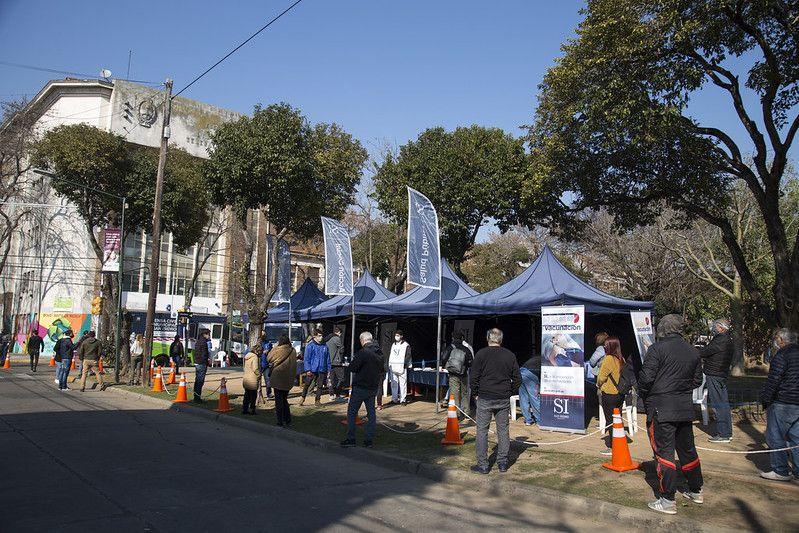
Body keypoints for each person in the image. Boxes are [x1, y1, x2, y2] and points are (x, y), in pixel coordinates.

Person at [638, 314, 704, 515]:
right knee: (688, 450)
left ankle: (667, 499)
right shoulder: (693, 351)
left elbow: (645, 379)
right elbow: (697, 380)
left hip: (661, 408)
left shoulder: (656, 349)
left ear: (663, 329)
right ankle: (696, 490)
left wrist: (651, 393)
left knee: (663, 453)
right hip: (684, 408)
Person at [470, 328, 521, 474]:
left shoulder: (481, 354)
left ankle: (483, 465)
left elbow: (473, 377)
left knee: (482, 431)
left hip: (485, 397)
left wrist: (475, 393)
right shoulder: (509, 355)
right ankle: (502, 463)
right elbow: (518, 379)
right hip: (502, 398)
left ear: (488, 338)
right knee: (503, 430)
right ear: (501, 339)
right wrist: (509, 392)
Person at [759, 328, 799, 482]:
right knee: (796, 438)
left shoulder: (782, 355)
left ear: (781, 340)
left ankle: (781, 470)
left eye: (776, 338)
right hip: (795, 402)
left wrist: (766, 399)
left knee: (775, 437)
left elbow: (774, 380)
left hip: (784, 401)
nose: (775, 341)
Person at [341, 331, 384, 448]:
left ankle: (351, 438)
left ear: (362, 340)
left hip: (361, 386)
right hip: (373, 387)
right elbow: (382, 369)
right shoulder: (380, 352)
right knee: (371, 414)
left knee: (352, 412)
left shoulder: (364, 352)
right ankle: (368, 440)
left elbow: (352, 367)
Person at [699, 319, 734, 443]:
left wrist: (693, 351)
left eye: (715, 326)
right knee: (723, 403)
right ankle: (727, 432)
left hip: (715, 374)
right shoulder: (727, 339)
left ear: (721, 328)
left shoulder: (721, 339)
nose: (713, 328)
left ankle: (723, 434)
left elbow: (705, 352)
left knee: (719, 404)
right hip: (720, 374)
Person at [597, 336, 627, 454]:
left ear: (610, 346)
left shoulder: (608, 359)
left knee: (610, 420)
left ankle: (613, 446)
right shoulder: (621, 358)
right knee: (618, 419)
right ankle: (619, 443)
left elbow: (601, 377)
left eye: (606, 344)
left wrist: (599, 384)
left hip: (609, 393)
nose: (604, 346)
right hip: (620, 393)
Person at [441, 333, 474, 420]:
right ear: (462, 338)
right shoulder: (466, 348)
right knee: (464, 393)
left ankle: (457, 413)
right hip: (463, 374)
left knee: (454, 394)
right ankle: (466, 412)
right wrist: (464, 366)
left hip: (453, 374)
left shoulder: (450, 348)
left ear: (453, 338)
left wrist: (447, 366)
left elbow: (443, 358)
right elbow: (471, 362)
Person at [268, 336, 297, 427]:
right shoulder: (293, 351)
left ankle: (280, 421)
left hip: (277, 377)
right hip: (288, 378)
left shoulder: (277, 349)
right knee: (284, 399)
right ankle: (287, 419)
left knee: (279, 401)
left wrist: (275, 347)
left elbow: (269, 358)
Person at [301, 329, 330, 406]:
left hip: (322, 368)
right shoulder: (310, 346)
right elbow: (306, 358)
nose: (321, 337)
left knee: (320, 386)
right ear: (315, 336)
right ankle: (303, 397)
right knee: (307, 384)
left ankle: (317, 400)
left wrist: (328, 369)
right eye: (319, 336)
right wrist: (308, 369)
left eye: (322, 336)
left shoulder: (325, 346)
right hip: (312, 369)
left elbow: (328, 358)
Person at [388, 330, 412, 405]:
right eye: (396, 335)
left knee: (403, 384)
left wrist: (405, 364)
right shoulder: (393, 344)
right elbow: (391, 355)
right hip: (393, 367)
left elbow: (408, 355)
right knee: (393, 384)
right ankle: (394, 399)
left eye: (398, 335)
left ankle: (403, 400)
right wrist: (390, 364)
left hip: (402, 367)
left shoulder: (406, 345)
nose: (396, 337)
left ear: (401, 336)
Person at [518, 355, 541, 426]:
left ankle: (528, 420)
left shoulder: (536, 358)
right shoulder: (546, 360)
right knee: (534, 398)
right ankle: (539, 420)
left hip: (520, 372)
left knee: (523, 398)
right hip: (531, 374)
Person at [327, 326, 346, 402]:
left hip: (328, 362)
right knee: (341, 378)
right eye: (340, 333)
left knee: (330, 379)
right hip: (336, 362)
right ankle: (337, 395)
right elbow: (342, 349)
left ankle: (331, 395)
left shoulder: (327, 338)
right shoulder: (337, 338)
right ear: (338, 332)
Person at [193, 329, 211, 403]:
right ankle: (197, 398)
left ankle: (196, 396)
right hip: (202, 363)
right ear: (205, 334)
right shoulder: (204, 342)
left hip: (197, 362)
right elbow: (204, 354)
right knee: (200, 381)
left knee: (197, 380)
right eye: (208, 334)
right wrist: (206, 362)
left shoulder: (198, 341)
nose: (209, 336)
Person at [241, 348, 261, 415]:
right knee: (253, 396)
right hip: (252, 379)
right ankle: (252, 409)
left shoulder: (247, 356)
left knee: (247, 395)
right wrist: (259, 375)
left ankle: (245, 409)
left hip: (246, 378)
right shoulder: (255, 357)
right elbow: (255, 368)